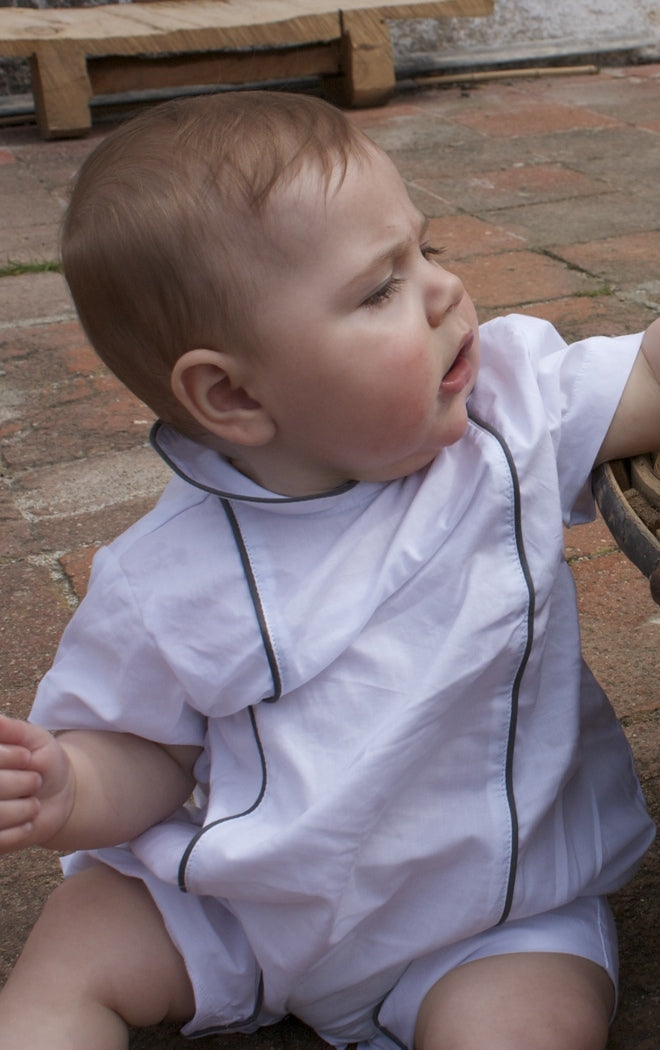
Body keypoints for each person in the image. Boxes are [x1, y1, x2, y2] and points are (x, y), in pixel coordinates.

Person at [0, 90, 657, 1050]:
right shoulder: (167, 578)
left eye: (423, 251)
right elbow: (146, 751)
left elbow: (644, 383)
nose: (443, 290)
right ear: (230, 392)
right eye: (379, 289)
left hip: (489, 917)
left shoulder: (509, 415)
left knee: (530, 1025)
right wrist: (69, 788)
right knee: (72, 954)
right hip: (246, 903)